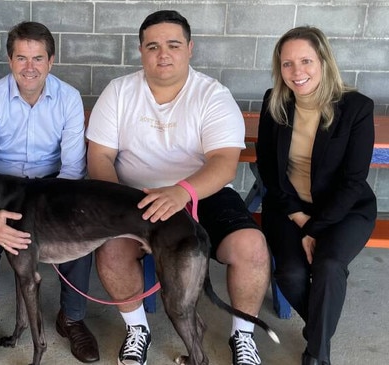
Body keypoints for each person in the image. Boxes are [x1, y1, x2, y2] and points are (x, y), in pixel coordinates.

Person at [85, 10, 271, 365]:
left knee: (252, 246)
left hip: (202, 194)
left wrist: (181, 191)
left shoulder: (212, 95)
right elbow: (100, 158)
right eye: (152, 46)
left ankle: (243, 335)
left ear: (190, 48)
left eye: (173, 44)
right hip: (133, 198)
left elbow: (223, 162)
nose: (163, 54)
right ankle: (137, 328)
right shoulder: (119, 91)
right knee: (111, 250)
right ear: (140, 50)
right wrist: (121, 206)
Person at [0, 21, 99, 365]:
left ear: (51, 61)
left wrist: (60, 215)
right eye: (21, 58)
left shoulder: (67, 98)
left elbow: (71, 167)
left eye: (38, 58)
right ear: (10, 61)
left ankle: (72, 318)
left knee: (80, 233)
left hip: (52, 186)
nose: (30, 67)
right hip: (2, 185)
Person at [256, 26, 376, 365]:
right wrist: (298, 216)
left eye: (306, 61)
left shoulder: (356, 108)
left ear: (324, 60)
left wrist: (314, 230)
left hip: (346, 208)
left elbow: (354, 182)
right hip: (288, 206)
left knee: (329, 264)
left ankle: (317, 353)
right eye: (287, 64)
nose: (297, 72)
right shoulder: (274, 103)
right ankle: (319, 327)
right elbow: (268, 168)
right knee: (290, 274)